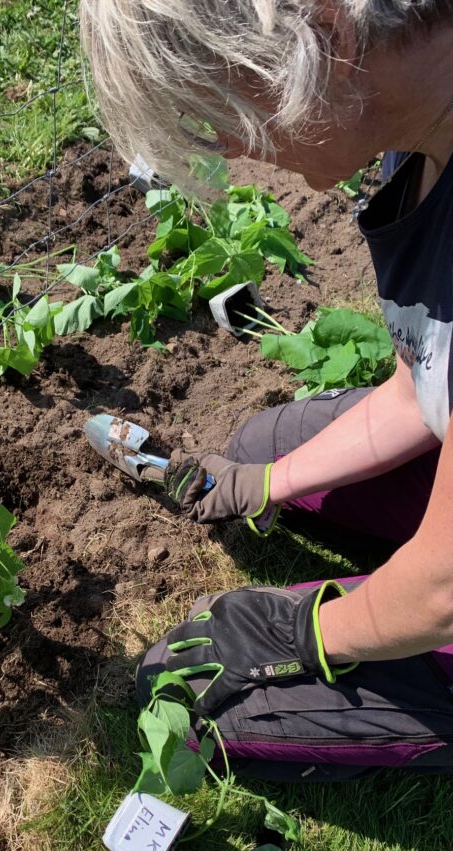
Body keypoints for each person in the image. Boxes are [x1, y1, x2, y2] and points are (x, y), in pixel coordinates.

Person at [80, 0, 453, 779]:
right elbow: (421, 385)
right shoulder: (418, 143)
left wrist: (302, 634)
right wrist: (262, 483)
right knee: (260, 447)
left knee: (201, 695)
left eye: (227, 104)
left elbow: (445, 586)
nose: (224, 142)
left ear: (326, 30)